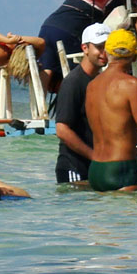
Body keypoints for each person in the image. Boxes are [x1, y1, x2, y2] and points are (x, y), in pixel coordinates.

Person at [38, 0, 124, 92]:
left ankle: (39, 108)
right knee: (82, 70)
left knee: (47, 69)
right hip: (68, 32)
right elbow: (120, 12)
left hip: (48, 27)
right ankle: (80, 102)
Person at [85, 29, 137, 192]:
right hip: (122, 169)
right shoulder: (132, 85)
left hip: (96, 171)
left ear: (107, 53)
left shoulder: (91, 85)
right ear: (135, 56)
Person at [54, 23, 110, 184]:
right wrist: (94, 156)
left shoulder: (101, 81)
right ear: (85, 48)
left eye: (107, 47)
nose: (104, 53)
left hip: (96, 166)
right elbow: (62, 129)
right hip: (74, 167)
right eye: (99, 47)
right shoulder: (73, 82)